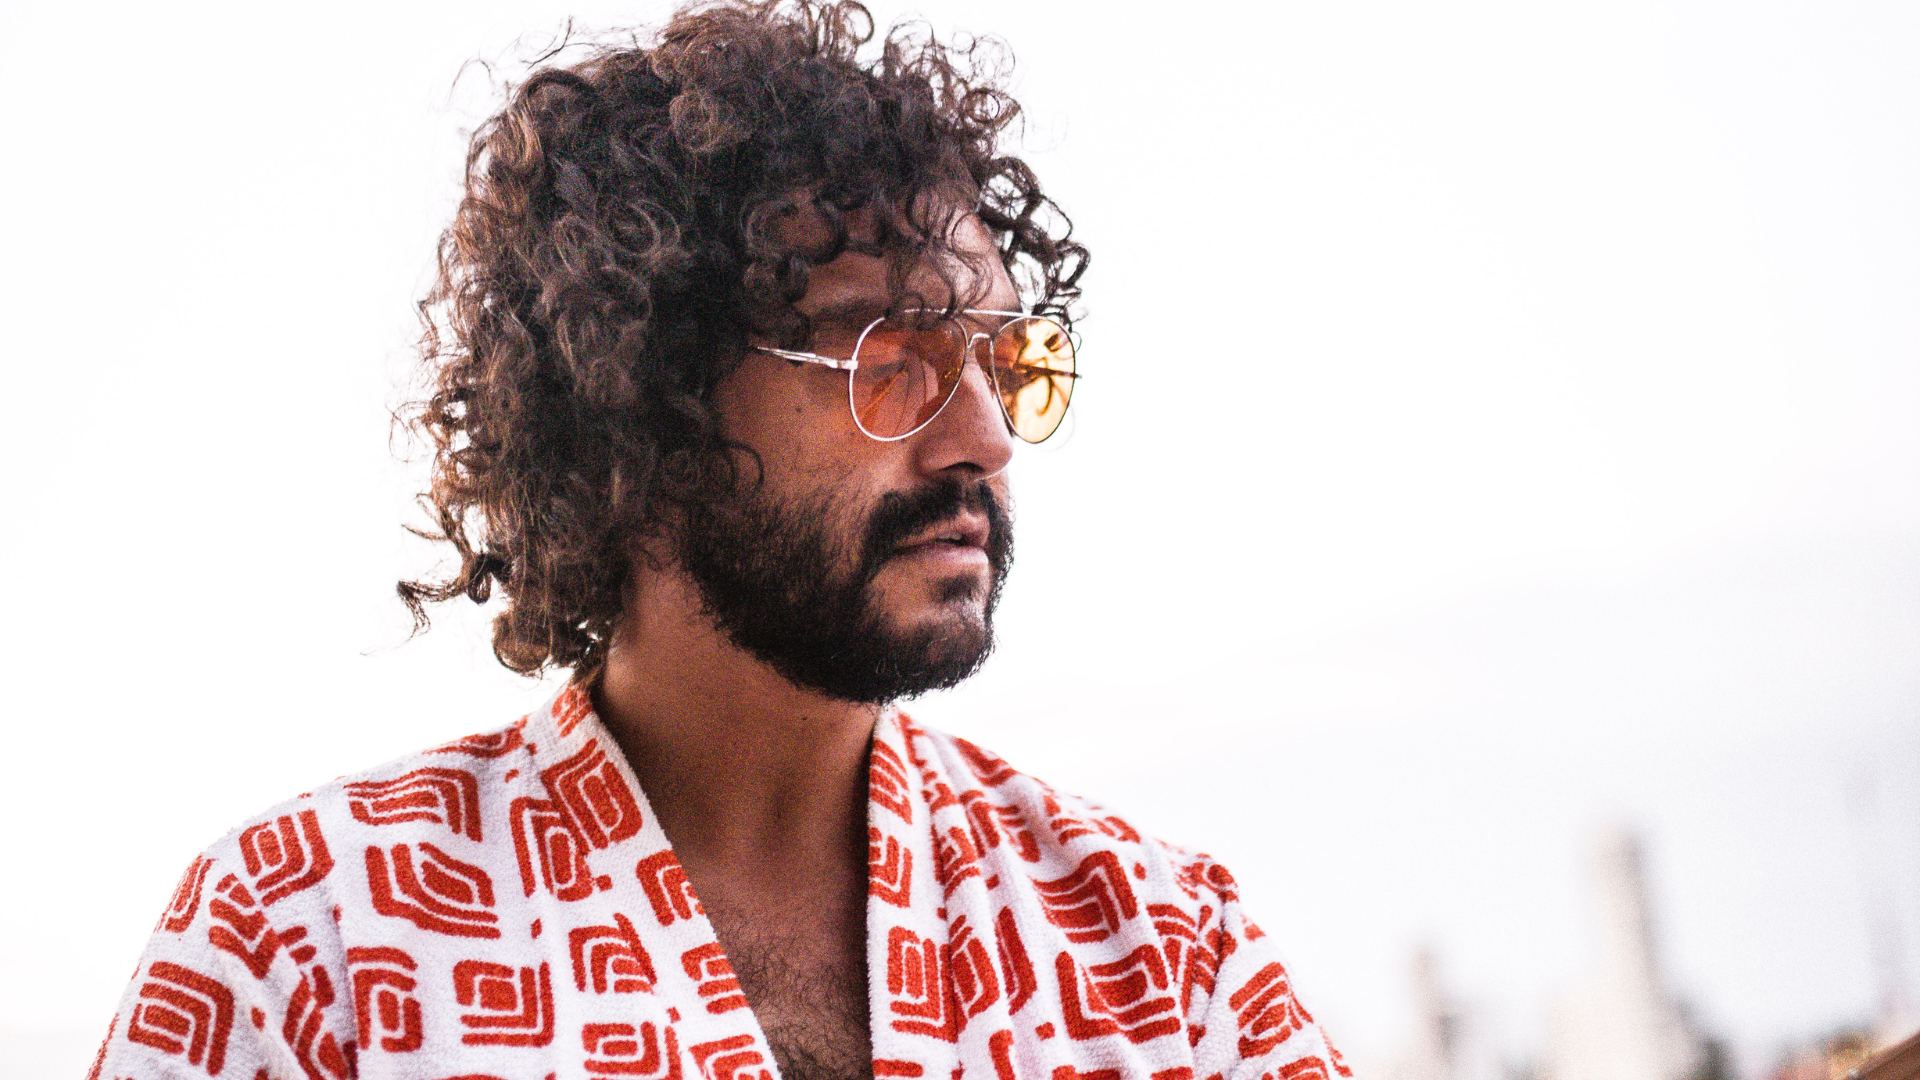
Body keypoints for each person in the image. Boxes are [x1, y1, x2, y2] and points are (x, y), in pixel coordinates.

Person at [93, 3, 1350, 1079]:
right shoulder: (311, 948)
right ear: (644, 407)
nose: (983, 438)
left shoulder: (1162, 952)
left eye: (1004, 360)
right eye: (888, 359)